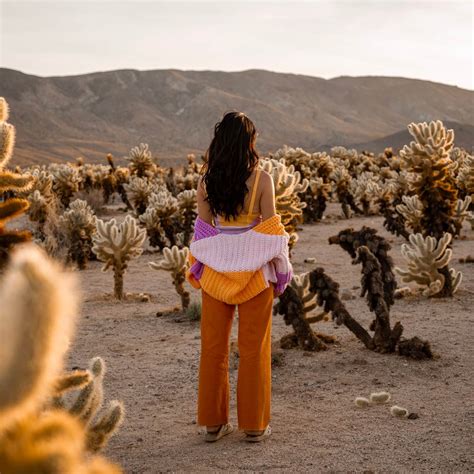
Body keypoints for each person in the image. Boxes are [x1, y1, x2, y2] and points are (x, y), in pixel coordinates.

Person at [186, 111, 293, 443]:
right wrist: (281, 270)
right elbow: (271, 227)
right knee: (253, 349)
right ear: (249, 142)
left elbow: (203, 232)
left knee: (213, 349)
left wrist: (198, 268)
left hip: (217, 275)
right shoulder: (262, 180)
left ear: (219, 142)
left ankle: (211, 425)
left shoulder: (206, 183)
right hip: (255, 275)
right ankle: (254, 425)